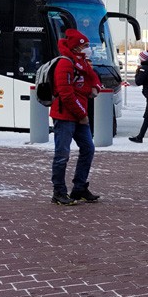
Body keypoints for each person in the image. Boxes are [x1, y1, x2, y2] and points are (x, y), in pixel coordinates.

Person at [50, 28, 102, 205]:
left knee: (88, 149)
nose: (88, 48)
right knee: (62, 154)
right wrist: (81, 114)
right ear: (76, 47)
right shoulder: (65, 63)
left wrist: (95, 87)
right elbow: (66, 94)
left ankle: (79, 188)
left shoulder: (82, 62)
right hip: (65, 115)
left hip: (80, 114)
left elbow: (93, 78)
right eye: (85, 45)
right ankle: (58, 192)